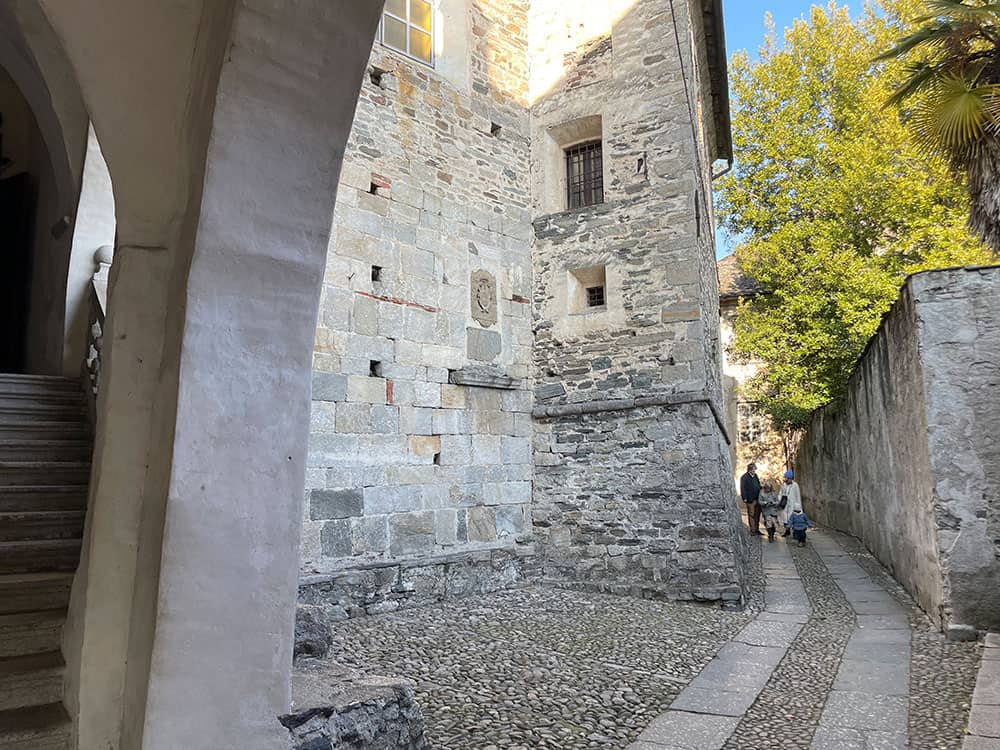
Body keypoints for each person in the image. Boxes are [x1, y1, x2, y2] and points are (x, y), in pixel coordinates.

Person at [739, 462, 762, 535]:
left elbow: (758, 485)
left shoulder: (755, 476)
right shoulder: (744, 477)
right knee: (751, 514)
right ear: (750, 469)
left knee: (757, 514)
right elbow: (743, 488)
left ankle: (757, 529)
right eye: (754, 469)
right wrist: (744, 498)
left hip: (757, 498)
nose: (755, 470)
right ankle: (753, 530)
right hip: (750, 499)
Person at [779, 469, 802, 537]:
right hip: (785, 505)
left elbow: (798, 496)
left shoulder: (795, 485)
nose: (785, 479)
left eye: (786, 478)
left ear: (790, 478)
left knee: (793, 519)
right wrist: (779, 500)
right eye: (785, 477)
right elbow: (780, 493)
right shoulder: (783, 485)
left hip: (793, 505)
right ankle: (787, 531)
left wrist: (798, 506)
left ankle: (795, 532)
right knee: (785, 519)